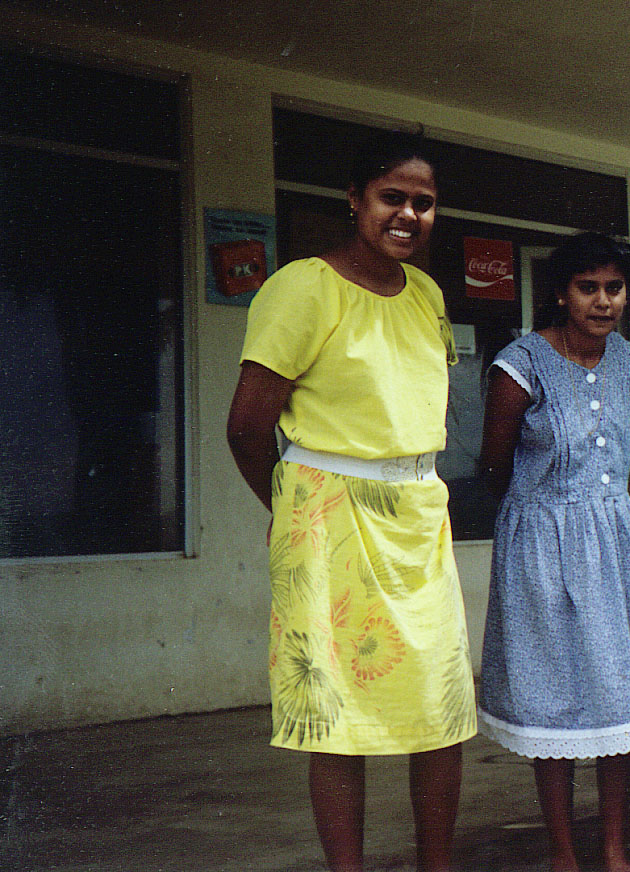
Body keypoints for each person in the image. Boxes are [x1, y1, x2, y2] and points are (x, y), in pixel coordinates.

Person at [226, 134, 477, 872]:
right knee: (335, 715)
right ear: (355, 200)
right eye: (391, 198)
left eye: (423, 203)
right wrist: (290, 505)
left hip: (418, 513)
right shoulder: (303, 286)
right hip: (327, 510)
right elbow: (247, 425)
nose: (407, 215)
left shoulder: (427, 293)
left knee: (440, 708)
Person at [478, 232, 630, 872]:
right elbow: (493, 464)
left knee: (618, 697)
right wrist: (550, 508)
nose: (603, 301)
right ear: (561, 294)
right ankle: (565, 854)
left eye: (614, 288)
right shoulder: (522, 366)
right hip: (542, 546)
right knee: (555, 701)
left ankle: (615, 849)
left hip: (615, 548)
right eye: (587, 288)